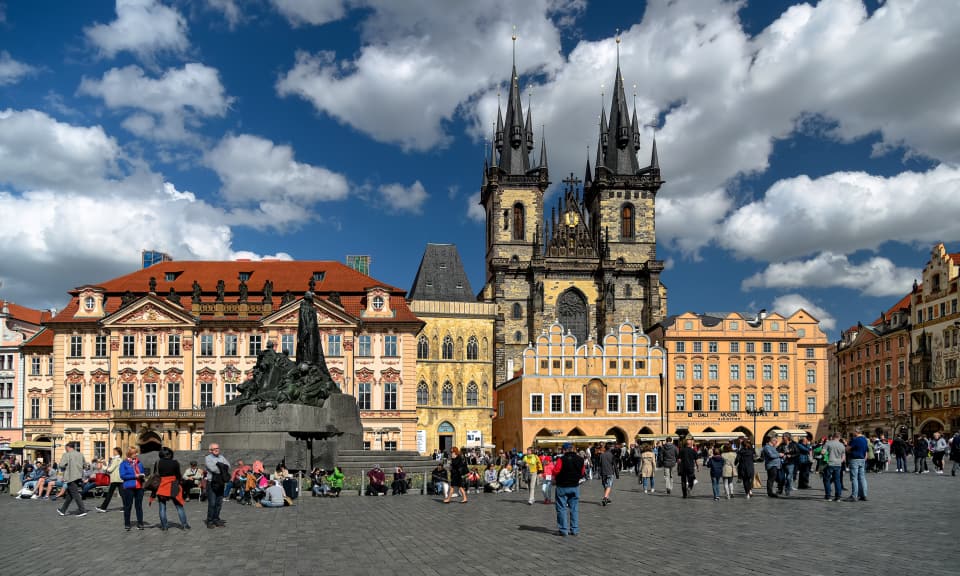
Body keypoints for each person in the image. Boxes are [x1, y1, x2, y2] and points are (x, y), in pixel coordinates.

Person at [151, 447, 190, 531]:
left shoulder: (157, 463)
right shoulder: (175, 463)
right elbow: (178, 476)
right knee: (179, 506)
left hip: (162, 486)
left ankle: (164, 526)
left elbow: (155, 474)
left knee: (162, 507)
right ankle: (184, 524)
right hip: (173, 486)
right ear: (170, 454)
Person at [551, 442, 585, 537]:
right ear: (573, 449)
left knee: (561, 508)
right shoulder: (580, 459)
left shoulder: (561, 459)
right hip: (574, 486)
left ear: (564, 450)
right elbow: (582, 473)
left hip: (562, 487)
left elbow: (555, 471)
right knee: (574, 509)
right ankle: (574, 530)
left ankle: (563, 530)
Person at [56, 442, 87, 517]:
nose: (65, 449)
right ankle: (63, 510)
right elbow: (85, 465)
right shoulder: (80, 454)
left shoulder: (67, 455)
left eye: (65, 448)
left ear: (68, 447)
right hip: (79, 476)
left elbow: (61, 465)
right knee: (70, 494)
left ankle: (82, 510)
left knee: (75, 494)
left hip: (71, 476)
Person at [119, 447, 146, 530]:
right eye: (135, 453)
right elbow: (122, 476)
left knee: (139, 506)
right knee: (128, 506)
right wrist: (135, 476)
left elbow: (142, 472)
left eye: (136, 453)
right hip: (129, 487)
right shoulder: (124, 463)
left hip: (139, 487)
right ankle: (127, 524)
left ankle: (140, 523)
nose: (136, 454)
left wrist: (143, 476)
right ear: (130, 454)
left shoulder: (139, 463)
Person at [204, 443, 230, 529]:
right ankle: (210, 521)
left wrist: (220, 466)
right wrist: (222, 467)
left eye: (217, 448)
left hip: (221, 483)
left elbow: (228, 466)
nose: (216, 449)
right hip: (212, 483)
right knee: (212, 503)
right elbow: (213, 469)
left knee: (219, 503)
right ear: (210, 450)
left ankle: (216, 519)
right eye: (214, 448)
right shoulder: (208, 458)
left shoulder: (221, 457)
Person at [97, 448, 124, 512]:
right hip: (119, 479)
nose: (113, 452)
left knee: (110, 494)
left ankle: (103, 507)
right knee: (122, 494)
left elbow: (110, 469)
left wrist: (103, 466)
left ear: (117, 452)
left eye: (114, 451)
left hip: (115, 479)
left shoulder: (116, 460)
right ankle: (126, 507)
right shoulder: (120, 459)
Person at [846, 428, 868, 502]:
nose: (853, 434)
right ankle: (864, 495)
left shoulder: (855, 439)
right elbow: (866, 450)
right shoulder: (865, 439)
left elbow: (847, 449)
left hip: (854, 459)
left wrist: (848, 444)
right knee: (862, 478)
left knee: (854, 478)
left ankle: (854, 495)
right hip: (862, 459)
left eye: (853, 432)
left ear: (856, 432)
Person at [823, 432, 845, 501]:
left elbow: (823, 452)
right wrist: (840, 461)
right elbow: (843, 457)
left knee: (827, 479)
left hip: (829, 463)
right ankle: (838, 497)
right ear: (839, 437)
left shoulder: (828, 443)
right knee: (837, 481)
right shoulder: (842, 445)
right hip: (838, 464)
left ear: (833, 436)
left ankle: (828, 496)